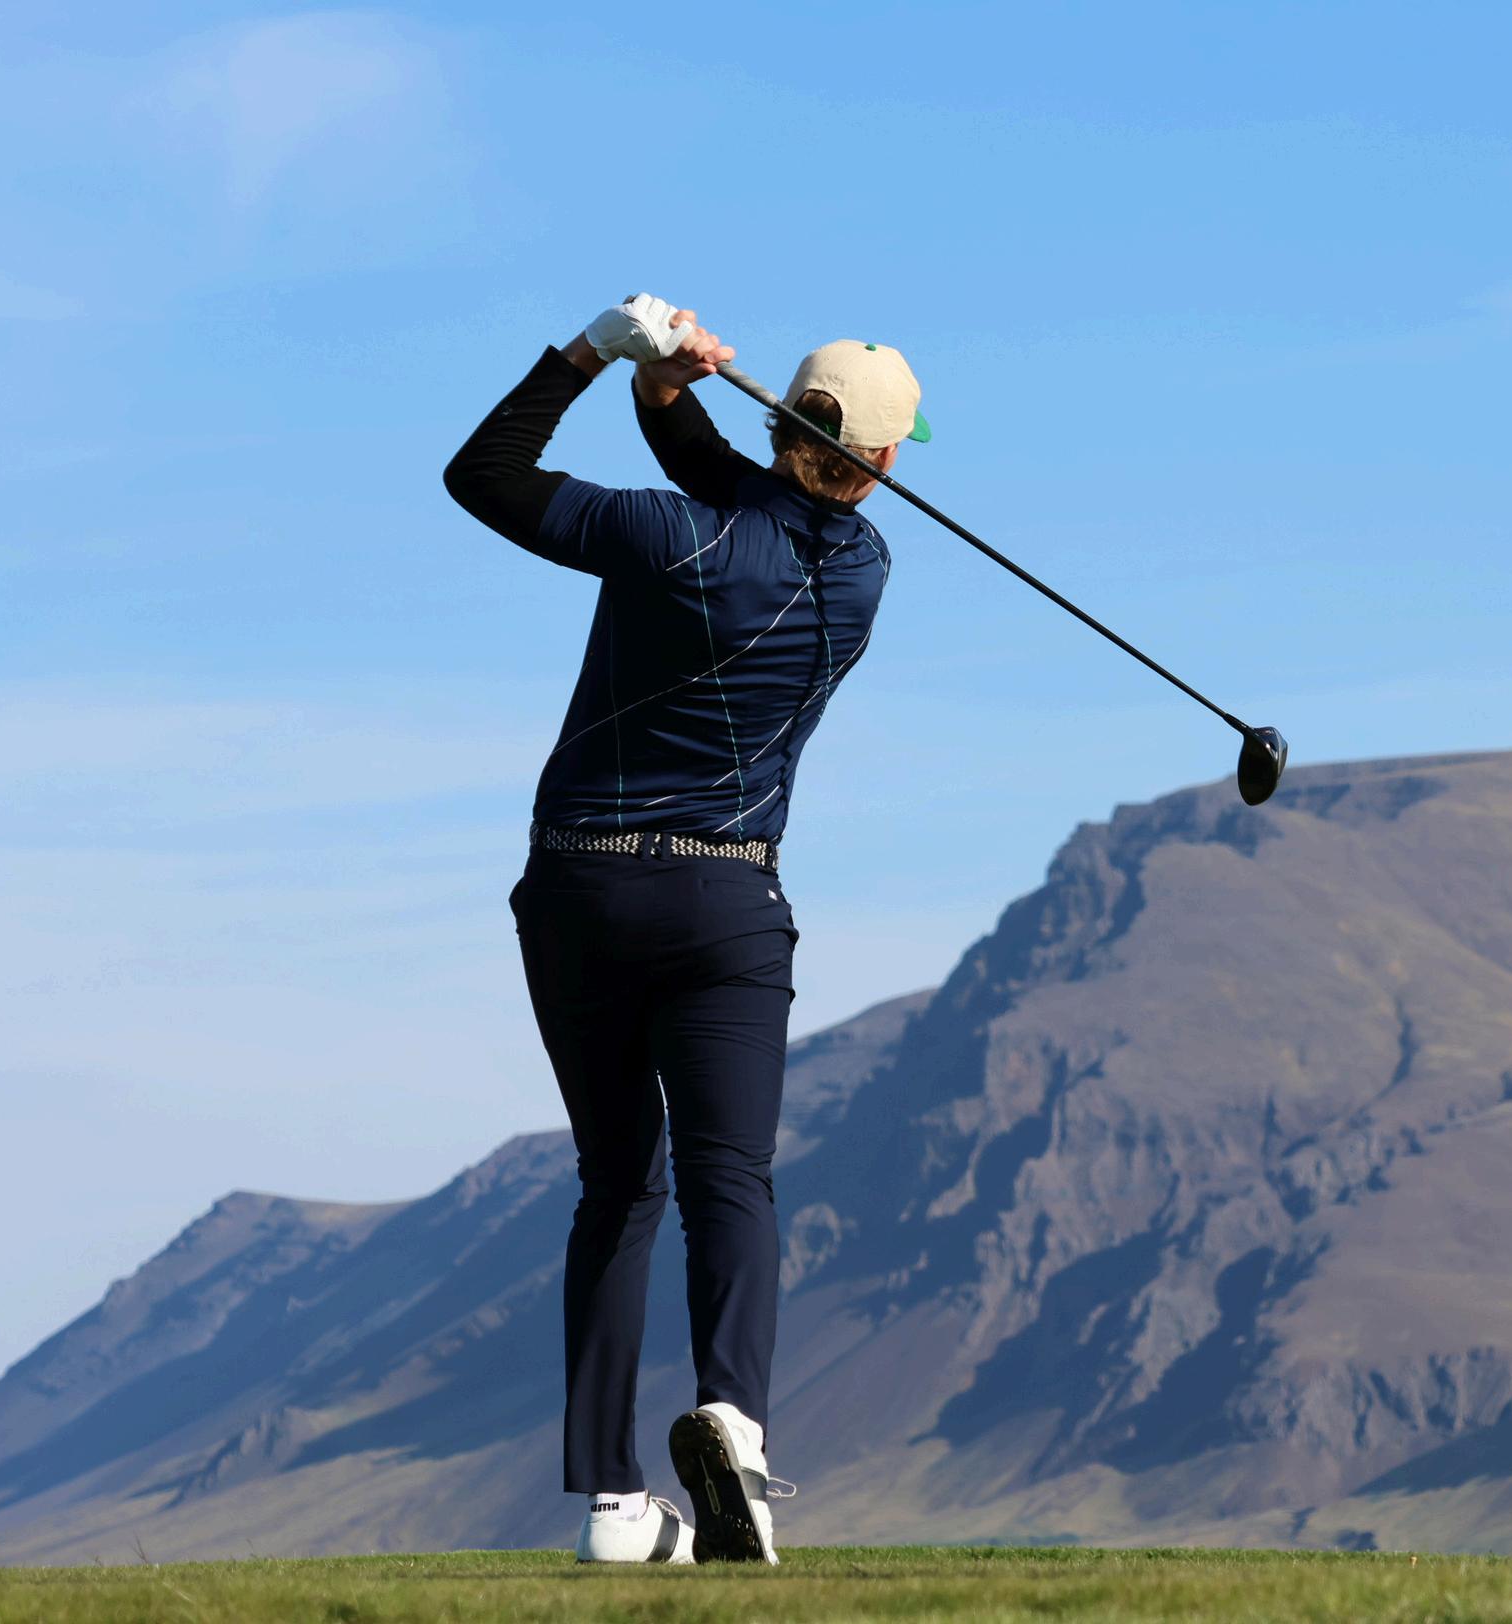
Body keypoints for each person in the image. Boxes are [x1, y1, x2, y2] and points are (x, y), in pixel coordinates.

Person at [441, 294, 929, 1565]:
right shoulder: (863, 571)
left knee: (618, 1184)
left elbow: (482, 476)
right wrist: (664, 391)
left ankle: (612, 1503)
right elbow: (758, 497)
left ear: (779, 426)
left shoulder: (663, 535)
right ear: (883, 462)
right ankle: (737, 1432)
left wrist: (596, 354)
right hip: (724, 907)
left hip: (577, 893)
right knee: (729, 1181)